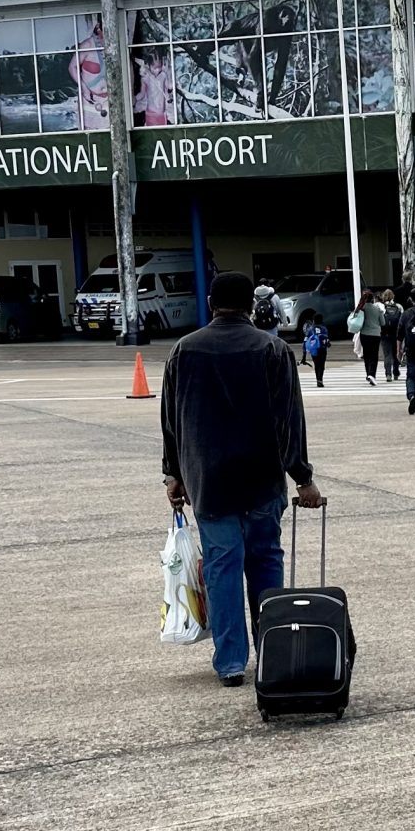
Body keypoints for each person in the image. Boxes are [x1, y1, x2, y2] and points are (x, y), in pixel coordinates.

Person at [161, 270, 325, 688]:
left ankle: (231, 661)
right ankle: (272, 649)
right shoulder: (271, 349)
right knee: (266, 559)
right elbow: (289, 419)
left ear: (212, 304)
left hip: (209, 479)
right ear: (252, 306)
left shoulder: (184, 350)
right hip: (261, 477)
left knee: (222, 566)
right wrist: (302, 477)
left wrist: (173, 474)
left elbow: (171, 421)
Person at [351, 289, 384, 386]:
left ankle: (368, 373)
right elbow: (383, 322)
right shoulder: (377, 309)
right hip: (375, 334)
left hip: (364, 334)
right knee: (374, 355)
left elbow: (355, 318)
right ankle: (372, 374)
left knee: (367, 355)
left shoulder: (361, 308)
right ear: (373, 298)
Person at [300, 313, 329, 388]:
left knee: (316, 365)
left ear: (313, 321)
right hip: (322, 349)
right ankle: (320, 380)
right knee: (322, 365)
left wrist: (304, 355)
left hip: (314, 349)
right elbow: (326, 340)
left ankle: (318, 380)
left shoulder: (310, 329)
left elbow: (305, 341)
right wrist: (328, 344)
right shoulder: (324, 329)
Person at [381, 290, 403, 383]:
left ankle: (388, 374)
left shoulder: (381, 307)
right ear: (393, 296)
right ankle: (396, 372)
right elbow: (402, 320)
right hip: (396, 333)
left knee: (387, 355)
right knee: (396, 353)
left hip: (385, 334)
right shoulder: (398, 306)